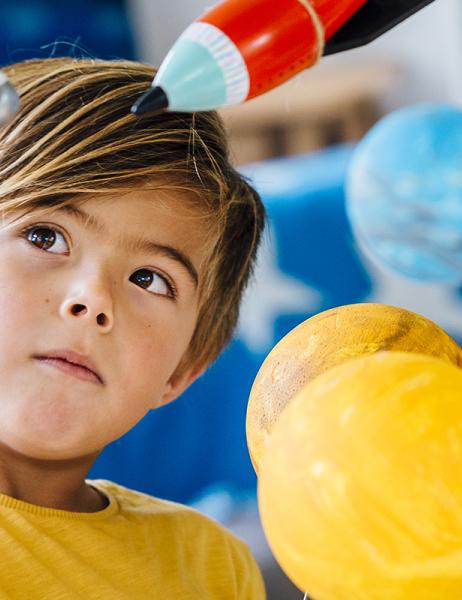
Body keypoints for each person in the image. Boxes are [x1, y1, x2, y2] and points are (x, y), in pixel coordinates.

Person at [0, 58, 267, 598]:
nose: (93, 300)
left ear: (183, 371)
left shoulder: (215, 570)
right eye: (46, 237)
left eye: (150, 279)